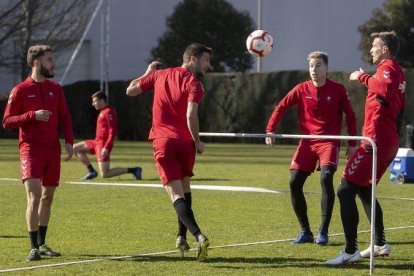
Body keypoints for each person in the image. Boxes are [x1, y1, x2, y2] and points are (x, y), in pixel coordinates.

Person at [125, 43, 212, 261]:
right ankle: (181, 237)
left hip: (164, 142)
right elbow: (191, 116)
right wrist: (197, 142)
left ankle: (199, 236)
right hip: (185, 144)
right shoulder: (196, 84)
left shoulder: (160, 75)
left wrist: (147, 73)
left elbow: (131, 90)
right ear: (192, 58)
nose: (208, 65)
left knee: (175, 194)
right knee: (184, 188)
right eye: (205, 60)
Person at [326, 31, 406, 265]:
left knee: (344, 190)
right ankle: (380, 244)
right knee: (364, 190)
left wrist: (361, 77)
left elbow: (385, 89)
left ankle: (350, 250)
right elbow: (397, 106)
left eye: (374, 46)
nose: (370, 50)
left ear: (385, 49)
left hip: (375, 143)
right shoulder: (396, 70)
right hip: (384, 140)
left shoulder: (388, 68)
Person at [265, 51, 357, 245]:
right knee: (294, 182)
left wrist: (351, 144)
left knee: (326, 178)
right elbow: (281, 107)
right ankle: (305, 232)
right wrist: (270, 130)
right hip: (307, 142)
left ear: (326, 68)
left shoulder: (338, 90)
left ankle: (323, 231)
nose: (313, 70)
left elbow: (350, 115)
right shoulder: (301, 89)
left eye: (318, 66)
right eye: (311, 66)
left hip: (329, 142)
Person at [2, 45, 74, 261]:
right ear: (36, 63)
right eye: (50, 59)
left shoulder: (56, 89)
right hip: (31, 149)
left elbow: (65, 117)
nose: (54, 63)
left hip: (52, 150)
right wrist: (31, 115)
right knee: (33, 195)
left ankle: (42, 244)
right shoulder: (20, 90)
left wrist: (69, 141)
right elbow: (7, 121)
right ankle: (33, 247)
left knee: (47, 197)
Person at [73, 91, 142, 180]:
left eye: (95, 101)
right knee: (74, 148)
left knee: (105, 174)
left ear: (102, 100)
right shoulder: (103, 111)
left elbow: (112, 131)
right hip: (96, 142)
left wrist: (106, 147)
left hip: (103, 145)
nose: (93, 104)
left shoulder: (109, 111)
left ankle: (135, 170)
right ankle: (91, 171)